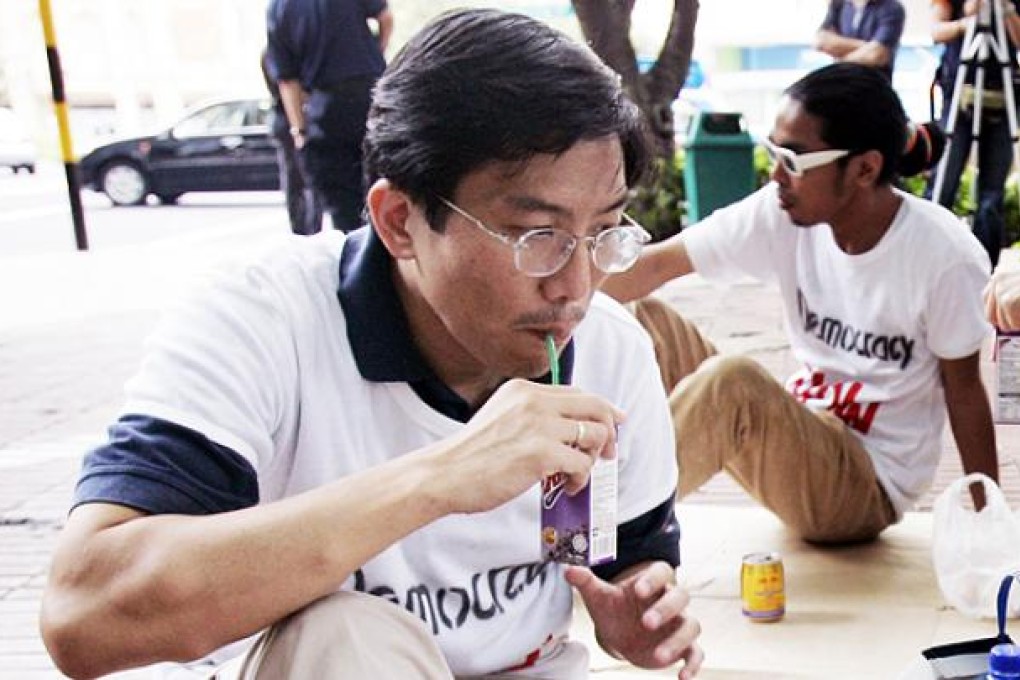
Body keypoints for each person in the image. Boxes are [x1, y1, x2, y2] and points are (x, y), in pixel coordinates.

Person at [39, 9, 703, 680]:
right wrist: (442, 478)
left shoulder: (606, 349)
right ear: (399, 222)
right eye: (537, 235)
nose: (576, 286)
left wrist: (637, 612)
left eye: (605, 232)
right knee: (344, 635)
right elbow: (83, 615)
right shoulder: (268, 322)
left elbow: (622, 555)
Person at [604, 62, 999, 545]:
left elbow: (965, 392)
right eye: (773, 152)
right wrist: (541, 299)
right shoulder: (782, 211)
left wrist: (990, 520)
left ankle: (610, 533)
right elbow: (653, 267)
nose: (776, 175)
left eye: (793, 159)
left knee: (734, 383)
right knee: (639, 316)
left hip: (866, 483)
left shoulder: (942, 256)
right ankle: (582, 484)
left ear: (865, 169)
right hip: (802, 431)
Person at [264, 0, 393, 232]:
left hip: (325, 109)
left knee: (344, 208)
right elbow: (385, 18)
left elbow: (286, 79)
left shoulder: (279, 7)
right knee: (388, 187)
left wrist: (299, 130)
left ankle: (359, 257)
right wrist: (376, 54)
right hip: (370, 96)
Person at [926, 0, 1020, 270]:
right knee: (944, 183)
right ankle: (931, 260)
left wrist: (1006, 10)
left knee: (992, 196)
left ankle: (983, 269)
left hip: (1003, 98)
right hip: (958, 94)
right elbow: (936, 31)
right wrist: (966, 21)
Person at [260, 49, 323, 236]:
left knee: (297, 178)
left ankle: (306, 227)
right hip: (291, 119)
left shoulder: (275, 54)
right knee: (301, 178)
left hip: (289, 118)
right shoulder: (278, 55)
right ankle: (306, 229)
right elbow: (289, 86)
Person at [815, 0, 906, 81]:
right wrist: (868, 46)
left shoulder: (891, 8)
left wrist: (839, 64)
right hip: (842, 84)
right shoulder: (839, 4)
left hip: (874, 88)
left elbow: (876, 55)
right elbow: (821, 42)